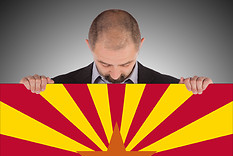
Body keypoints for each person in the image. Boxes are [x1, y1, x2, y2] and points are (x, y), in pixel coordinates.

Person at [20, 9, 213, 94]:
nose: (114, 75)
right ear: (89, 46)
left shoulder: (174, 90)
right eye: (104, 63)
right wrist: (27, 94)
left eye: (125, 64)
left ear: (140, 46)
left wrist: (204, 94)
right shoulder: (56, 89)